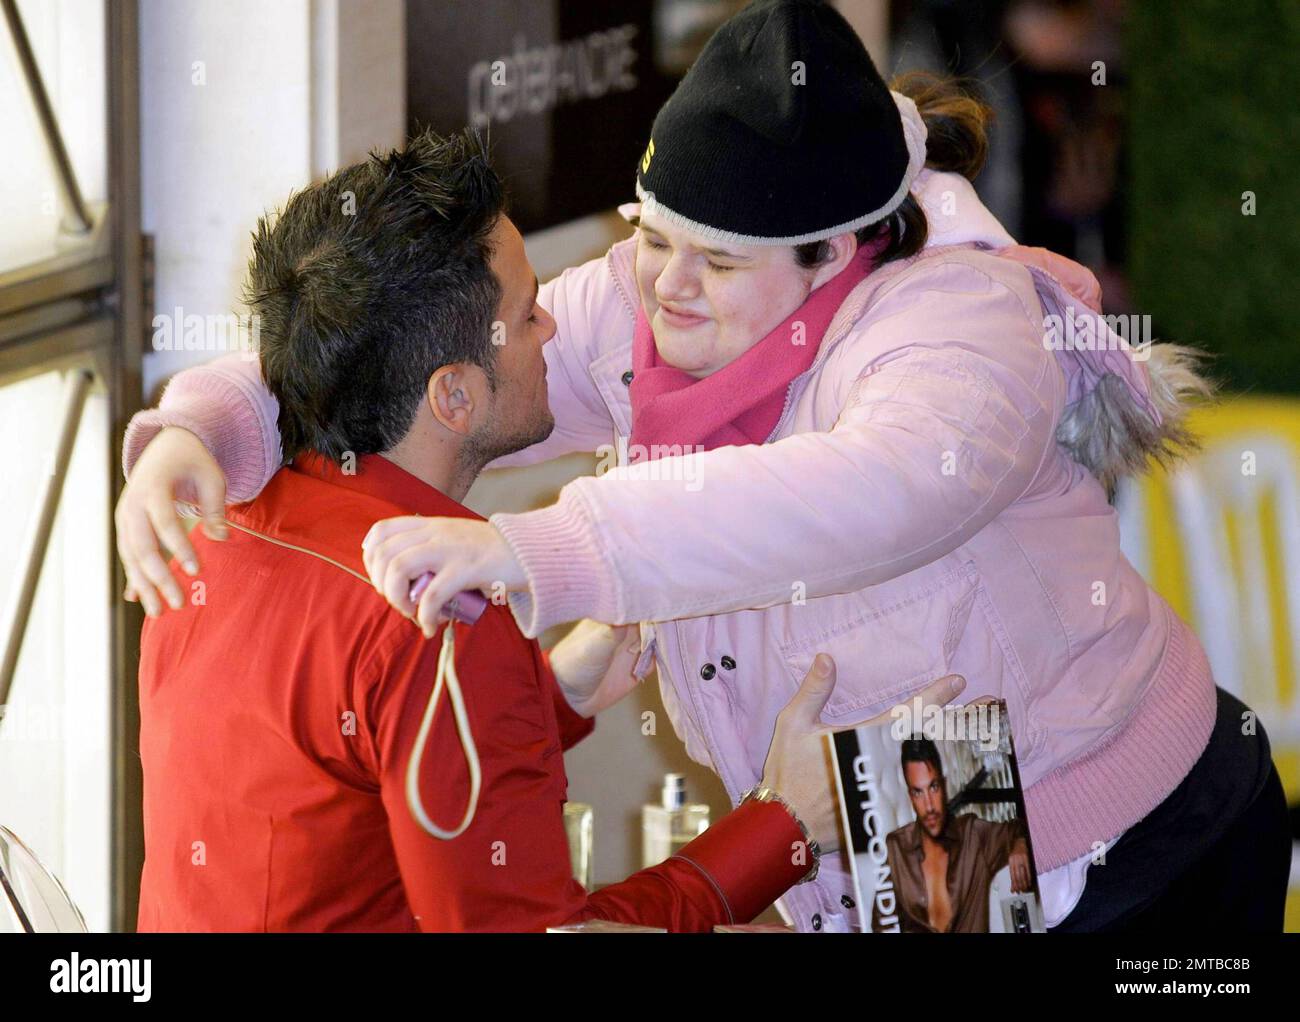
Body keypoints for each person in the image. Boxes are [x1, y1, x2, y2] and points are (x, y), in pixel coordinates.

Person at [116, 0, 1291, 932]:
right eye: (651, 235)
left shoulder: (962, 328)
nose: (662, 287)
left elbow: (864, 491)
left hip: (1127, 840)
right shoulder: (659, 309)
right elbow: (392, 346)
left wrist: (546, 547)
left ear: (835, 254)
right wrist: (197, 431)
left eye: (715, 263)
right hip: (937, 837)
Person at [132, 126, 966, 932]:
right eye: (530, 312)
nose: (556, 329)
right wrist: (784, 823)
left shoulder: (208, 524)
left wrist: (541, 699)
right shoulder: (444, 620)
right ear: (452, 397)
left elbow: (341, 802)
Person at [873, 738, 1031, 933]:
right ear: (910, 797)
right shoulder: (896, 848)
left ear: (944, 785)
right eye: (918, 792)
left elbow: (1023, 826)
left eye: (933, 787)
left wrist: (1020, 843)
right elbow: (881, 925)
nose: (929, 806)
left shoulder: (973, 836)